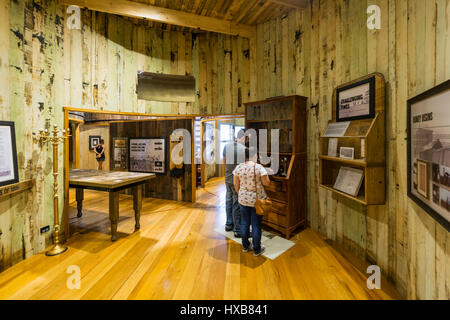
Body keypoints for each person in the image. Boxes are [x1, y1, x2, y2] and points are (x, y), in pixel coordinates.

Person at [233, 147, 271, 256]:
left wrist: (241, 193)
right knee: (256, 224)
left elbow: (236, 184)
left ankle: (245, 246)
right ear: (256, 156)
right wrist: (266, 174)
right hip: (256, 201)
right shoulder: (259, 168)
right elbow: (266, 183)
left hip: (243, 199)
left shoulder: (239, 167)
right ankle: (256, 249)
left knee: (244, 222)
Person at [223, 129, 246, 238]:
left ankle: (228, 224)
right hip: (237, 180)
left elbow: (224, 162)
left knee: (228, 200)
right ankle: (237, 229)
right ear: (244, 137)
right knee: (236, 203)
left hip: (227, 177)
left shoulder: (227, 146)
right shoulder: (244, 149)